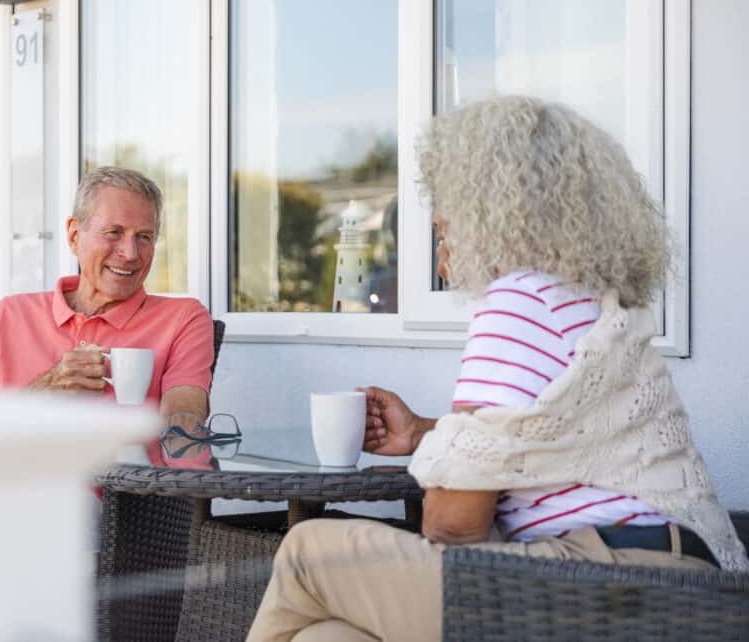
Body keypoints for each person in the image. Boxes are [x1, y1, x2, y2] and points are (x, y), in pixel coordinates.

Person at [248, 96, 749, 642]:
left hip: (606, 581)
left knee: (306, 551)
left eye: (445, 215)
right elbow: (552, 435)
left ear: (493, 204)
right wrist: (424, 433)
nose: (439, 232)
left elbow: (452, 523)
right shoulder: (590, 300)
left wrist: (450, 461)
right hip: (678, 579)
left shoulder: (520, 297)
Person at [0, 166, 215, 424]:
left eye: (144, 237)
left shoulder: (183, 319)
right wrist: (46, 391)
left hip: (135, 465)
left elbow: (184, 418)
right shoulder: (8, 315)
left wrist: (182, 424)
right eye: (113, 233)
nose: (131, 253)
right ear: (74, 236)